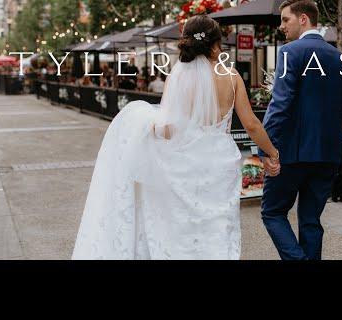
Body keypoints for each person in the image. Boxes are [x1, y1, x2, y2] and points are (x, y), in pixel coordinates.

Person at [72, 15, 280, 260]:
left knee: (182, 225)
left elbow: (168, 129)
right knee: (219, 224)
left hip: (184, 163)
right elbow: (252, 125)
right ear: (215, 45)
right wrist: (272, 153)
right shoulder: (231, 76)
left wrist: (142, 126)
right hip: (220, 163)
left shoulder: (178, 76)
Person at [259, 0, 342, 261]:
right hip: (327, 154)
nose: (282, 26)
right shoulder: (339, 57)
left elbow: (280, 106)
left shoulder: (289, 52)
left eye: (285, 19)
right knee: (311, 220)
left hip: (292, 152)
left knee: (272, 212)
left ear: (303, 19)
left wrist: (265, 147)